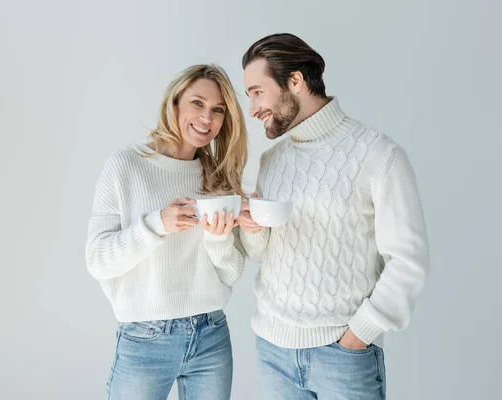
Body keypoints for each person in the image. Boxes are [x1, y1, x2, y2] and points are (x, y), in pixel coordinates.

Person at [236, 33, 430, 399]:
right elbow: (262, 251)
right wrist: (253, 228)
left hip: (343, 357)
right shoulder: (271, 160)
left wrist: (359, 335)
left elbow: (409, 261)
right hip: (272, 351)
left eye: (257, 91)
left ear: (295, 81)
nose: (252, 108)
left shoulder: (379, 156)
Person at [85, 64, 248, 400]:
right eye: (197, 103)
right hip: (145, 339)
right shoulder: (125, 165)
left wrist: (218, 237)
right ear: (174, 103)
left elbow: (231, 272)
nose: (207, 119)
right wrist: (157, 224)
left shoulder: (217, 177)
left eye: (218, 110)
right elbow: (98, 260)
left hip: (211, 334)